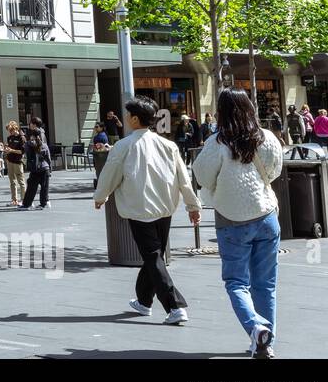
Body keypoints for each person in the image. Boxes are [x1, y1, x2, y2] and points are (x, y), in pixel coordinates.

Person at [93, 96, 202, 325]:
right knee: (155, 256)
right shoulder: (169, 145)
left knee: (152, 257)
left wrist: (100, 196)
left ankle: (174, 306)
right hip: (165, 209)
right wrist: (192, 205)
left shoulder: (124, 146)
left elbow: (110, 174)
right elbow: (184, 178)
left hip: (139, 209)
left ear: (134, 119)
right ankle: (144, 301)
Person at [192, 88, 283, 359]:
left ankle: (256, 329)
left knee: (236, 282)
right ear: (250, 108)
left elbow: (201, 175)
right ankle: (265, 343)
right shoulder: (266, 138)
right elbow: (275, 170)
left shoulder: (216, 143)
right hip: (266, 214)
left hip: (231, 220)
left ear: (221, 111)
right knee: (265, 284)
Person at [20, 117, 52, 210]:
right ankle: (44, 203)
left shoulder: (29, 144)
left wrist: (23, 138)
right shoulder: (44, 145)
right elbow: (48, 158)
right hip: (44, 167)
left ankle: (27, 204)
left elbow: (25, 150)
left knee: (31, 187)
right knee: (44, 187)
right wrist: (50, 168)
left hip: (35, 168)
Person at [4, 121, 26, 206]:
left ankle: (24, 199)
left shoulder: (22, 138)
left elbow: (22, 151)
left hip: (18, 161)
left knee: (21, 181)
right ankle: (14, 200)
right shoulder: (10, 137)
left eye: (11, 130)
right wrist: (7, 150)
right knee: (12, 181)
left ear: (15, 128)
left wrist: (12, 150)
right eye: (9, 131)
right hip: (10, 160)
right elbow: (9, 148)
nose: (10, 132)